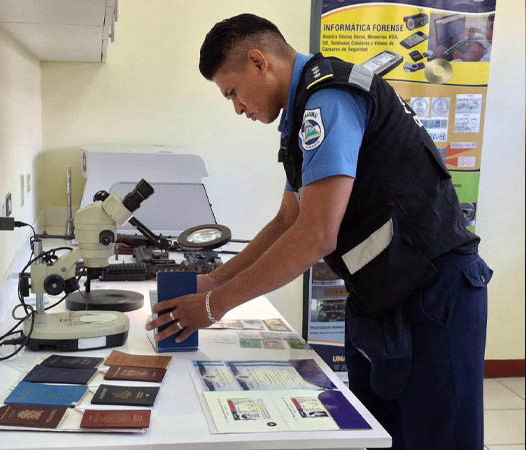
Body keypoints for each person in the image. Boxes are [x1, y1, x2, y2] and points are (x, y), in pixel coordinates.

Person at [145, 13, 492, 450]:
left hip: (433, 293)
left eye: (232, 92)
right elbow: (287, 220)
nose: (237, 108)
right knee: (381, 436)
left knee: (438, 439)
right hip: (382, 295)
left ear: (258, 62)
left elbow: (315, 236)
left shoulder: (330, 100)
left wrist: (215, 305)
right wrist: (215, 280)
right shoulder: (302, 113)